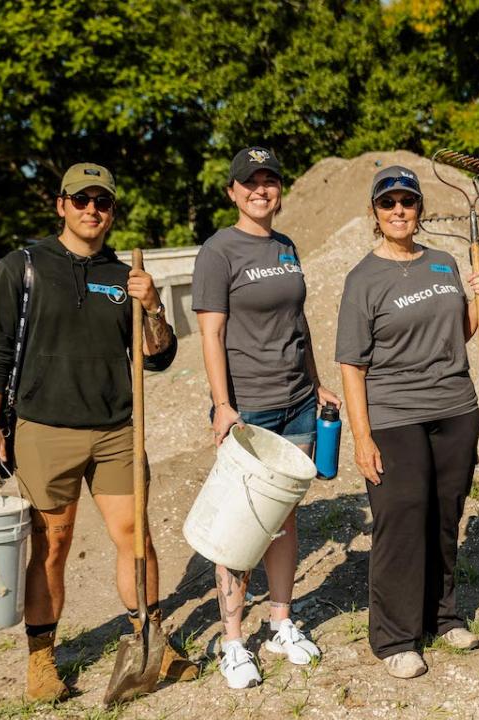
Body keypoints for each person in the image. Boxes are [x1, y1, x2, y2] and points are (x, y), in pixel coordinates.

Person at [0, 162, 196, 702]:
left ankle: (151, 639)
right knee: (53, 546)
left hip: (116, 429)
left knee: (134, 536)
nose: (92, 209)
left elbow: (159, 356)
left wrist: (152, 306)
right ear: (61, 205)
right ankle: (41, 662)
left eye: (103, 202)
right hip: (45, 429)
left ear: (112, 211)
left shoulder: (124, 277)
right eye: (81, 200)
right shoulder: (22, 267)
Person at [191, 145, 339, 689]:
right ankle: (233, 640)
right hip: (247, 408)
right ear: (232, 191)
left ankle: (280, 621)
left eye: (269, 181)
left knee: (283, 518)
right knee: (240, 523)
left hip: (297, 400)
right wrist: (224, 405)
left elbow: (298, 323)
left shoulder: (286, 246)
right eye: (249, 183)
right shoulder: (218, 252)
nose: (260, 190)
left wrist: (317, 379)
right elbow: (210, 333)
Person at [335, 165, 479, 679]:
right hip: (394, 415)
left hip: (455, 408)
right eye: (388, 203)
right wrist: (362, 437)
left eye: (407, 201)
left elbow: (458, 335)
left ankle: (442, 617)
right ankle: (396, 636)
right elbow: (351, 364)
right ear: (375, 214)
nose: (398, 210)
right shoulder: (363, 279)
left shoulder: (444, 263)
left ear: (420, 209)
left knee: (446, 517)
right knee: (401, 519)